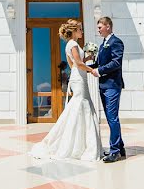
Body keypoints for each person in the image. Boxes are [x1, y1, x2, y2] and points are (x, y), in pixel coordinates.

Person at [30, 20, 102, 161]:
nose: (82, 31)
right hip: (79, 79)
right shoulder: (73, 44)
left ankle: (79, 143)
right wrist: (92, 69)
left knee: (78, 107)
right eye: (80, 29)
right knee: (80, 106)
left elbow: (72, 64)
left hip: (77, 77)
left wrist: (87, 58)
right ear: (74, 30)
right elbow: (78, 64)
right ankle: (78, 144)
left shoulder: (70, 45)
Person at [91, 15, 125, 162]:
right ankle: (121, 148)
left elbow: (116, 62)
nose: (98, 30)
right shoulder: (102, 44)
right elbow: (98, 63)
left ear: (108, 26)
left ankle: (115, 151)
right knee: (111, 118)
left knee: (112, 118)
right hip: (103, 86)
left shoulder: (116, 42)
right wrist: (83, 66)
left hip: (112, 85)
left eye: (100, 27)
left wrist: (99, 71)